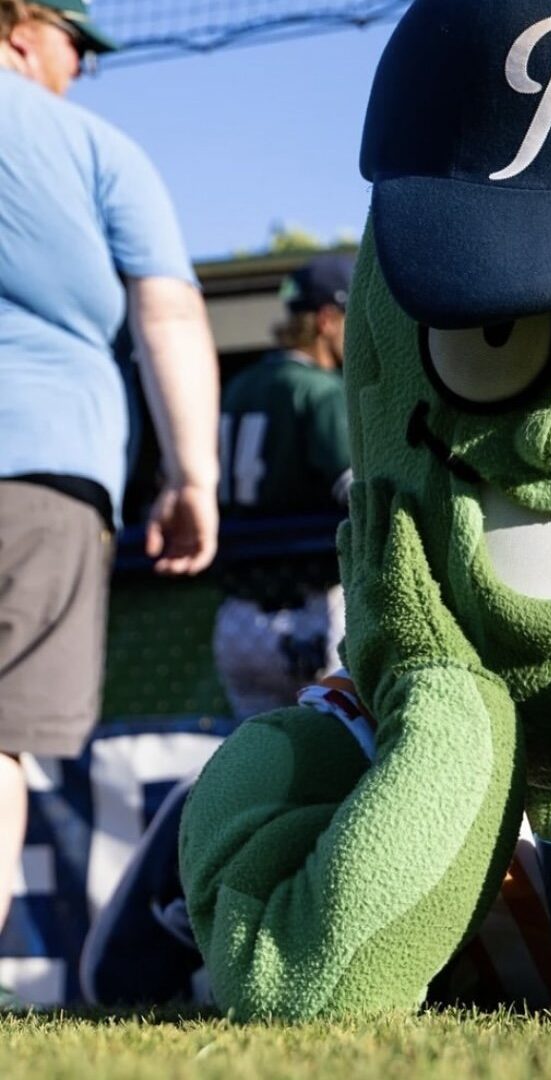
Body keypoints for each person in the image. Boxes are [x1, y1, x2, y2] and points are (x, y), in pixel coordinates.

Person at [0, 0, 220, 953]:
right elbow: (166, 318)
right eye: (73, 41)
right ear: (18, 30)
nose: (82, 67)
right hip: (42, 464)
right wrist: (192, 477)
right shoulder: (97, 150)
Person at [213, 254, 354, 720]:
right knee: (337, 764)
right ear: (327, 319)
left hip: (239, 619)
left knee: (253, 769)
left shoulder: (241, 384)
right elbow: (355, 495)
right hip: (309, 612)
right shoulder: (319, 390)